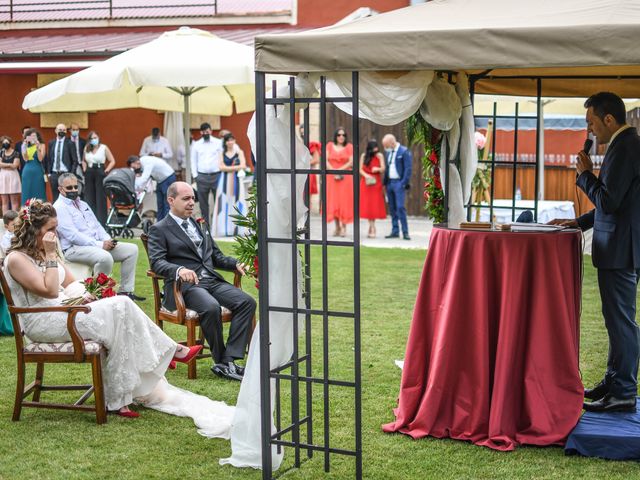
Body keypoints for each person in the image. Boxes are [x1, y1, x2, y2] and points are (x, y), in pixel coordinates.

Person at [2, 199, 204, 416]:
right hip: (43, 322)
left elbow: (70, 283)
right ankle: (163, 353)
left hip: (64, 312)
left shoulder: (43, 251)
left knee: (119, 317)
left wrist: (85, 295)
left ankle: (121, 398)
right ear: (34, 230)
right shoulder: (16, 259)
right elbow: (50, 290)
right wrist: (52, 255)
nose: (56, 235)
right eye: (51, 229)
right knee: (121, 306)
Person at [549, 92, 640, 413]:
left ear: (609, 119)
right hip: (621, 246)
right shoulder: (626, 145)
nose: (590, 131)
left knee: (621, 322)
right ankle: (613, 381)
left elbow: (609, 202)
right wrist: (577, 221)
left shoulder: (626, 147)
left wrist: (584, 175)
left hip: (620, 250)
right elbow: (619, 205)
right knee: (617, 320)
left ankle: (624, 391)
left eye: (591, 123)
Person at [147, 181, 256, 381]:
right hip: (184, 287)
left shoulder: (200, 224)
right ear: (171, 200)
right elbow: (157, 263)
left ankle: (228, 360)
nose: (191, 203)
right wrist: (179, 270)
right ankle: (222, 363)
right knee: (211, 307)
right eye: (186, 198)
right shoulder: (159, 229)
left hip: (211, 281)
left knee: (247, 302)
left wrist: (237, 264)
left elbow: (216, 257)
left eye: (193, 198)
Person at [53, 173, 145, 302]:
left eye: (76, 187)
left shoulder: (83, 204)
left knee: (132, 249)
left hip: (95, 244)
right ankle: (97, 294)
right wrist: (100, 245)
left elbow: (97, 226)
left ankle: (126, 292)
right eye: (69, 188)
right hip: (74, 249)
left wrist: (107, 240)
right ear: (60, 189)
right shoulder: (59, 208)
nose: (74, 190)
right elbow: (72, 235)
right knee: (104, 257)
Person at [212, 133, 247, 237]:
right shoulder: (222, 153)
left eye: (232, 140)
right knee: (224, 201)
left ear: (235, 141)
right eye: (228, 140)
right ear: (225, 142)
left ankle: (238, 228)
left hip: (236, 180)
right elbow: (220, 167)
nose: (230, 142)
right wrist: (235, 168)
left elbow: (243, 165)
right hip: (224, 180)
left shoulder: (239, 152)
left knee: (237, 200)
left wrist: (228, 168)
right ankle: (225, 229)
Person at [191, 122, 223, 225]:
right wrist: (196, 176)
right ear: (201, 132)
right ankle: (206, 227)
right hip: (202, 177)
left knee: (218, 201)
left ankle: (218, 225)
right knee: (203, 203)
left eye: (207, 131)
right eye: (204, 132)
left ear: (211, 131)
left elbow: (222, 157)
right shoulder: (196, 144)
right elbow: (193, 160)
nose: (206, 133)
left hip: (217, 175)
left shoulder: (219, 143)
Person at [127, 155, 176, 221]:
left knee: (166, 204)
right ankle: (160, 224)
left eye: (134, 167)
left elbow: (144, 178)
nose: (135, 169)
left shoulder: (147, 162)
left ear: (137, 162)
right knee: (160, 204)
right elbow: (134, 172)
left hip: (168, 177)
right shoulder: (140, 164)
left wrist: (135, 186)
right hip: (160, 180)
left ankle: (166, 224)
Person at [382, 134, 412, 241]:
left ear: (391, 142)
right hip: (390, 183)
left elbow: (408, 169)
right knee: (392, 208)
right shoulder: (388, 153)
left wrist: (403, 183)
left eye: (386, 145)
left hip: (399, 183)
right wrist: (385, 183)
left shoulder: (404, 151)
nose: (385, 148)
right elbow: (387, 168)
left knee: (400, 207)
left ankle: (405, 232)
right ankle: (395, 231)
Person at [82, 131, 115, 225]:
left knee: (100, 197)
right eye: (92, 138)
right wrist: (84, 168)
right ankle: (90, 221)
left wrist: (107, 170)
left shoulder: (104, 147)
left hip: (100, 170)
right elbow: (83, 160)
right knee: (89, 196)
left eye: (95, 137)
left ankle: (101, 222)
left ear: (98, 138)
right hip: (89, 171)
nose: (94, 140)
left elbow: (112, 160)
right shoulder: (86, 148)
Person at [325, 127, 354, 237]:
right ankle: (337, 227)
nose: (341, 137)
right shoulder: (329, 145)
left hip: (345, 177)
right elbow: (326, 160)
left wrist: (339, 171)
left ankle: (344, 228)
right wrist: (334, 172)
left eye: (343, 135)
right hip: (332, 178)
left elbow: (351, 162)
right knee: (333, 202)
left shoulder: (349, 146)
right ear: (335, 136)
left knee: (344, 202)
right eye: (339, 135)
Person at [359, 139, 387, 238]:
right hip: (366, 183)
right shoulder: (363, 156)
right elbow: (360, 169)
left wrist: (378, 169)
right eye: (374, 147)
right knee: (367, 205)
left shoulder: (379, 156)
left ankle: (372, 227)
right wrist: (366, 175)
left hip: (376, 183)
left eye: (377, 147)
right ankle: (372, 227)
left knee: (374, 205)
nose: (376, 149)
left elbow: (383, 168)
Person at [46, 123, 78, 201]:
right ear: (55, 131)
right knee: (55, 197)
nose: (62, 131)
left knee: (67, 196)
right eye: (60, 130)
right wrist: (49, 174)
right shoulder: (51, 143)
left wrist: (71, 174)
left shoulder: (70, 143)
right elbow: (49, 158)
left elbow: (75, 160)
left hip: (65, 174)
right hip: (54, 174)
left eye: (64, 130)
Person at [20, 128, 47, 204]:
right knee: (27, 192)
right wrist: (24, 147)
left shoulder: (42, 145)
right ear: (27, 137)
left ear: (38, 137)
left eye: (35, 136)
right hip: (27, 170)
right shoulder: (25, 145)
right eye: (31, 136)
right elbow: (25, 159)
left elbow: (40, 159)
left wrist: (37, 147)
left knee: (39, 191)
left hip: (37, 170)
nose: (33, 138)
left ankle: (40, 211)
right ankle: (26, 213)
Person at [0, 136, 22, 212]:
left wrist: (4, 165)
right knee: (4, 201)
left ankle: (15, 220)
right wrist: (9, 165)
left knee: (14, 200)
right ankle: (5, 220)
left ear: (10, 143)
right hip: (3, 177)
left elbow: (15, 165)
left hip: (13, 176)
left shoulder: (16, 153)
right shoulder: (1, 153)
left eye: (7, 142)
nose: (5, 144)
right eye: (3, 143)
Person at [69, 123, 86, 198]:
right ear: (70, 130)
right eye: (73, 130)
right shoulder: (67, 141)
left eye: (77, 130)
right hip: (71, 166)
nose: (75, 131)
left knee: (82, 185)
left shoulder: (83, 141)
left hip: (81, 166)